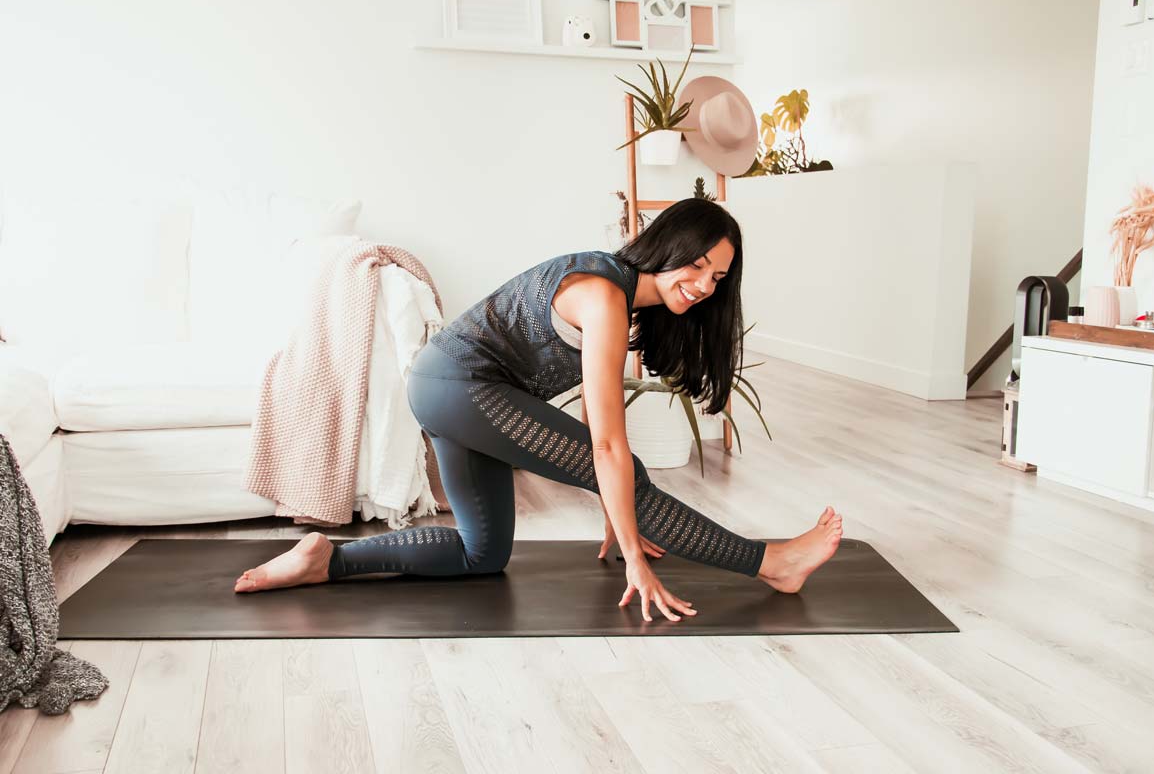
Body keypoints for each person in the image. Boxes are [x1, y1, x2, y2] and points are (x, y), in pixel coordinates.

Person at [233, 198, 844, 622]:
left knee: (482, 555)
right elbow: (605, 446)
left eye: (718, 276)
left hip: (448, 388)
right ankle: (774, 563)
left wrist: (618, 504)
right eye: (697, 264)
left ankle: (327, 559)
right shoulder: (606, 297)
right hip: (463, 388)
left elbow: (590, 427)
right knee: (622, 467)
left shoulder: (622, 295)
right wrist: (632, 548)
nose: (706, 284)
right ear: (669, 247)